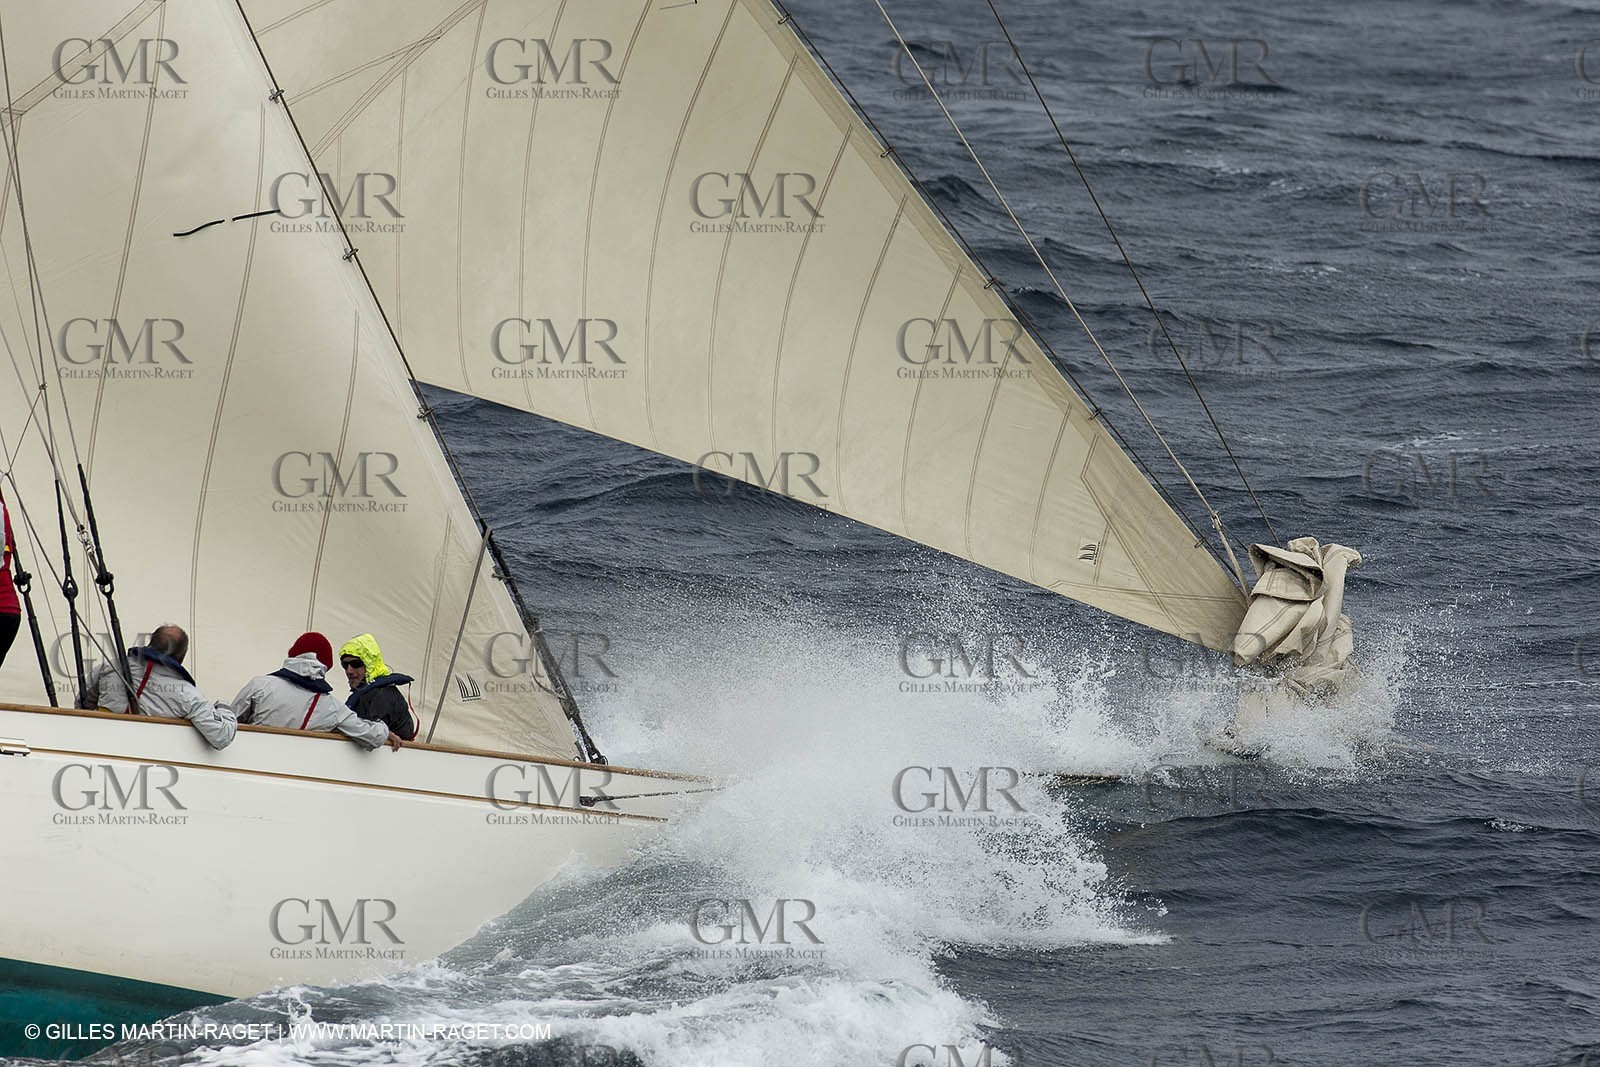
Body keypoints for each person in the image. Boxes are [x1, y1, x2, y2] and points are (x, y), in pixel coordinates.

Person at [233, 632, 402, 751]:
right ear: (325, 666)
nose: (349, 670)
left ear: (293, 656)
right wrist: (384, 730)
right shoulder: (332, 707)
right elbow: (370, 735)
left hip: (251, 766)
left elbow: (229, 721)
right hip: (297, 776)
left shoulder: (260, 685)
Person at [79, 624, 236, 749]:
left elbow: (83, 703)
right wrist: (224, 708)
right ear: (181, 657)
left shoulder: (110, 666)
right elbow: (221, 736)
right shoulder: (188, 695)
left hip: (100, 746)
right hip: (152, 759)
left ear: (150, 644)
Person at [339, 634, 418, 741]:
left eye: (356, 664)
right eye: (345, 665)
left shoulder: (382, 695)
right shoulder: (367, 694)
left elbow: (372, 736)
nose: (349, 671)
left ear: (369, 665)